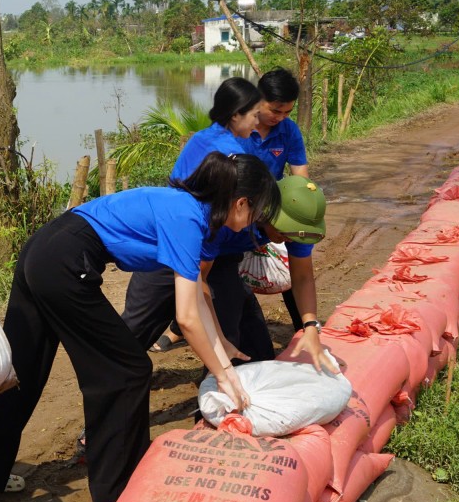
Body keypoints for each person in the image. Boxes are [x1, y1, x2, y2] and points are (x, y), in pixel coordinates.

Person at [0, 153, 279, 502]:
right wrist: (223, 376)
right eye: (256, 213)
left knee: (23, 369)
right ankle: (113, 494)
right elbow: (186, 318)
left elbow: (197, 297)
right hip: (65, 259)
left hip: (43, 248)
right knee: (125, 370)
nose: (254, 223)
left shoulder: (198, 216)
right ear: (241, 203)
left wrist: (223, 354)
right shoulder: (188, 217)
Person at [122, 174, 338, 374]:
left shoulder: (294, 231)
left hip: (221, 260)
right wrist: (211, 335)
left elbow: (302, 277)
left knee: (253, 352)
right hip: (171, 255)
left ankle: (217, 399)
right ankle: (111, 375)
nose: (289, 241)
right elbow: (200, 280)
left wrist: (310, 326)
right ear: (269, 213)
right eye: (285, 233)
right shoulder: (228, 218)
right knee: (135, 331)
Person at [133, 76, 261, 352]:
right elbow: (217, 212)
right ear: (236, 114)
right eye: (254, 115)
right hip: (194, 240)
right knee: (159, 316)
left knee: (229, 313)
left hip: (191, 237)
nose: (257, 122)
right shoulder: (231, 154)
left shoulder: (206, 136)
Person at [250, 67, 310, 331]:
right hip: (235, 209)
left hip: (270, 207)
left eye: (287, 112)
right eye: (275, 110)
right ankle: (179, 326)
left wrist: (302, 211)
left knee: (294, 260)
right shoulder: (237, 129)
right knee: (217, 272)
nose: (281, 118)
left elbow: (300, 179)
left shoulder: (288, 130)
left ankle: (306, 329)